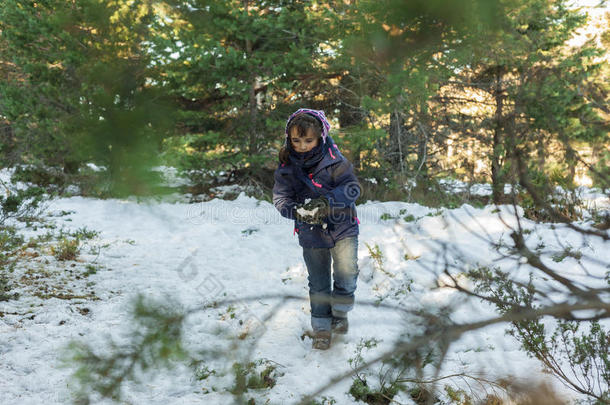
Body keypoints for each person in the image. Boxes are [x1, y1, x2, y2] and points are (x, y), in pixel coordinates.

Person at [273, 108, 361, 350]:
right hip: (310, 233)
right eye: (296, 140)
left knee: (347, 274)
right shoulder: (287, 167)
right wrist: (298, 211)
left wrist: (326, 202)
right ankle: (322, 329)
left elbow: (353, 188)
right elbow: (281, 199)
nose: (302, 146)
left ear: (320, 137)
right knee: (319, 282)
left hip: (343, 227)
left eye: (308, 140)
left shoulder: (334, 160)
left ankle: (340, 313)